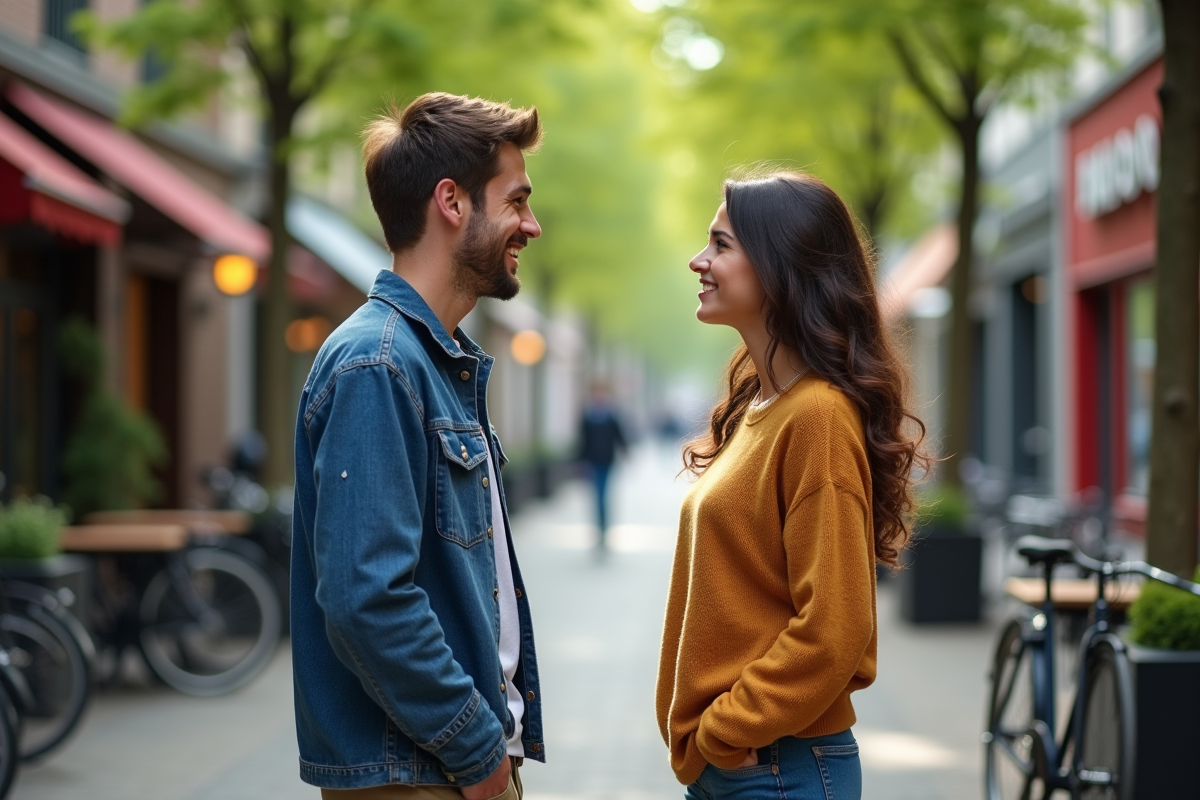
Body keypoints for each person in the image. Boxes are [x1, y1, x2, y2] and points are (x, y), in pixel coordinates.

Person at [290, 93, 545, 800]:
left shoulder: (426, 362)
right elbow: (366, 599)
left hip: (439, 766)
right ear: (451, 202)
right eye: (517, 201)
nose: (532, 225)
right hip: (424, 773)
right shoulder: (379, 365)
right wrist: (479, 754)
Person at [655, 171, 926, 800]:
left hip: (778, 766)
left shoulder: (818, 418)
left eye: (721, 245)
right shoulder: (762, 407)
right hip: (742, 766)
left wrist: (728, 728)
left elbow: (834, 627)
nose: (699, 261)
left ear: (780, 266)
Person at [577, 382, 627, 550]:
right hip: (593, 463)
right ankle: (599, 528)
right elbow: (582, 441)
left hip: (607, 462)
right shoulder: (588, 417)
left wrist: (625, 452)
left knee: (603, 496)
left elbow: (619, 436)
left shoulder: (611, 416)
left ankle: (603, 529)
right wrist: (581, 461)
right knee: (597, 497)